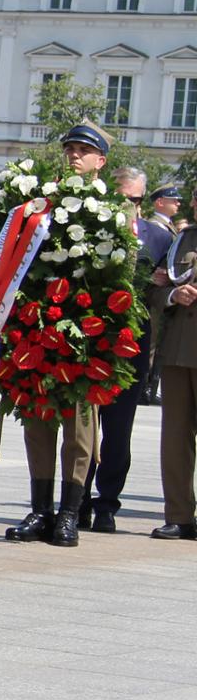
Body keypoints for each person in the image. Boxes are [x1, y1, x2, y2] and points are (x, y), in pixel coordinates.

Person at [6, 122, 111, 547]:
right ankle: (41, 509)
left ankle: (70, 511)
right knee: (37, 420)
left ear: (100, 161)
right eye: (70, 148)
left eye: (84, 150)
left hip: (87, 335)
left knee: (80, 429)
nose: (74, 155)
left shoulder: (114, 208)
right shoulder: (43, 204)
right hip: (40, 327)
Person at [77, 175, 173, 533]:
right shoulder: (89, 229)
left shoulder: (159, 237)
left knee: (119, 429)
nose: (127, 204)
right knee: (83, 426)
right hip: (92, 340)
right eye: (121, 197)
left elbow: (168, 285)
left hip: (133, 343)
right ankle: (77, 499)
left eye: (134, 198)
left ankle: (107, 503)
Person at [155, 223, 197, 541]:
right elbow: (153, 287)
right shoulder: (181, 240)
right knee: (175, 438)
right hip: (177, 351)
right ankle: (179, 516)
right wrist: (172, 294)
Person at [141, 183, 178, 407]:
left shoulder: (169, 226)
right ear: (159, 202)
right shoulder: (156, 226)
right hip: (152, 292)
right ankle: (145, 387)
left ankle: (149, 386)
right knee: (151, 340)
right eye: (173, 200)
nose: (178, 204)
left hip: (164, 293)